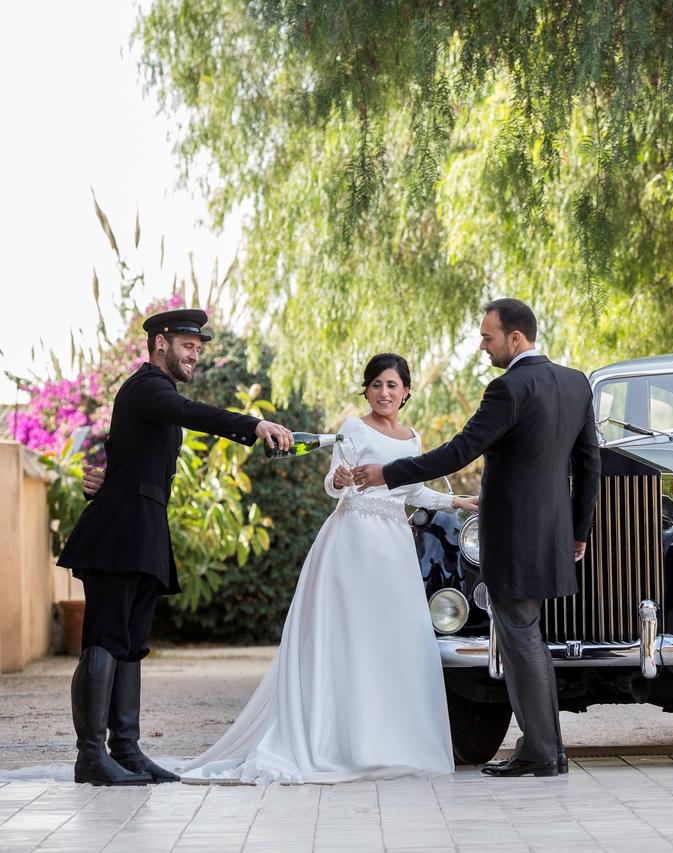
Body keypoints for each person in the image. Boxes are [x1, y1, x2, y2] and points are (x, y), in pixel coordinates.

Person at [180, 353, 474, 784]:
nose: (384, 393)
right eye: (376, 385)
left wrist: (455, 501)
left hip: (393, 547)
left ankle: (393, 743)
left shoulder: (412, 438)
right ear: (366, 390)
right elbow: (332, 481)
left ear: (407, 391)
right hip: (352, 539)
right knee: (349, 637)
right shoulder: (353, 429)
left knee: (393, 640)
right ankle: (341, 743)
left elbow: (413, 493)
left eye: (392, 385)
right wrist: (338, 481)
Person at [353, 298, 601, 778]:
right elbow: (588, 462)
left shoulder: (507, 389)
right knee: (529, 635)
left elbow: (458, 452)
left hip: (512, 536)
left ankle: (543, 752)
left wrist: (387, 472)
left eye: (488, 338)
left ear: (515, 338)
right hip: (553, 536)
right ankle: (547, 747)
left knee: (521, 637)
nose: (482, 347)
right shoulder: (575, 384)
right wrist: (578, 531)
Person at [59, 308, 295, 786]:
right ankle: (91, 756)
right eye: (188, 345)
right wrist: (253, 426)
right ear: (160, 343)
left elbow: (127, 458)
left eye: (198, 348)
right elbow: (192, 413)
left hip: (142, 531)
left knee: (130, 645)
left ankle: (126, 750)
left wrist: (105, 480)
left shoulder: (154, 395)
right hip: (119, 534)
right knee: (104, 639)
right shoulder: (148, 387)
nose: (195, 355)